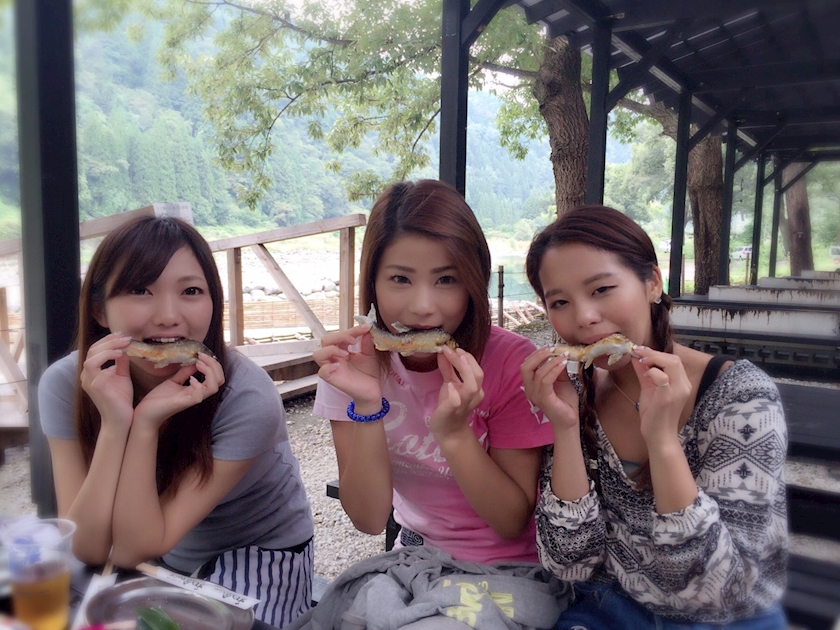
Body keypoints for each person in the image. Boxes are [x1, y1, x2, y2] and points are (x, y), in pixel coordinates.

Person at [39, 215, 314, 628]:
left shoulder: (247, 398)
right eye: (140, 290)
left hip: (257, 551)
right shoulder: (66, 385)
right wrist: (115, 424)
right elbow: (88, 547)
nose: (169, 316)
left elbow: (132, 550)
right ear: (98, 309)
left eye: (190, 291)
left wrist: (145, 424)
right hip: (160, 548)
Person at [520, 205, 788, 629]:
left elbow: (717, 590)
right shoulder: (572, 394)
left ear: (652, 284)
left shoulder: (739, 397)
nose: (584, 317)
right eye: (560, 302)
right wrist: (565, 426)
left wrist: (663, 442)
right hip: (607, 609)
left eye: (602, 289)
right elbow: (569, 562)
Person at [313, 179, 555, 565]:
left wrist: (455, 434)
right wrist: (368, 403)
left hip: (510, 566)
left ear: (473, 282)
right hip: (415, 552)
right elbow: (369, 519)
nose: (423, 306)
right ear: (373, 282)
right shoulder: (350, 363)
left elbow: (511, 523)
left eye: (446, 279)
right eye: (400, 279)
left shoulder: (511, 362)